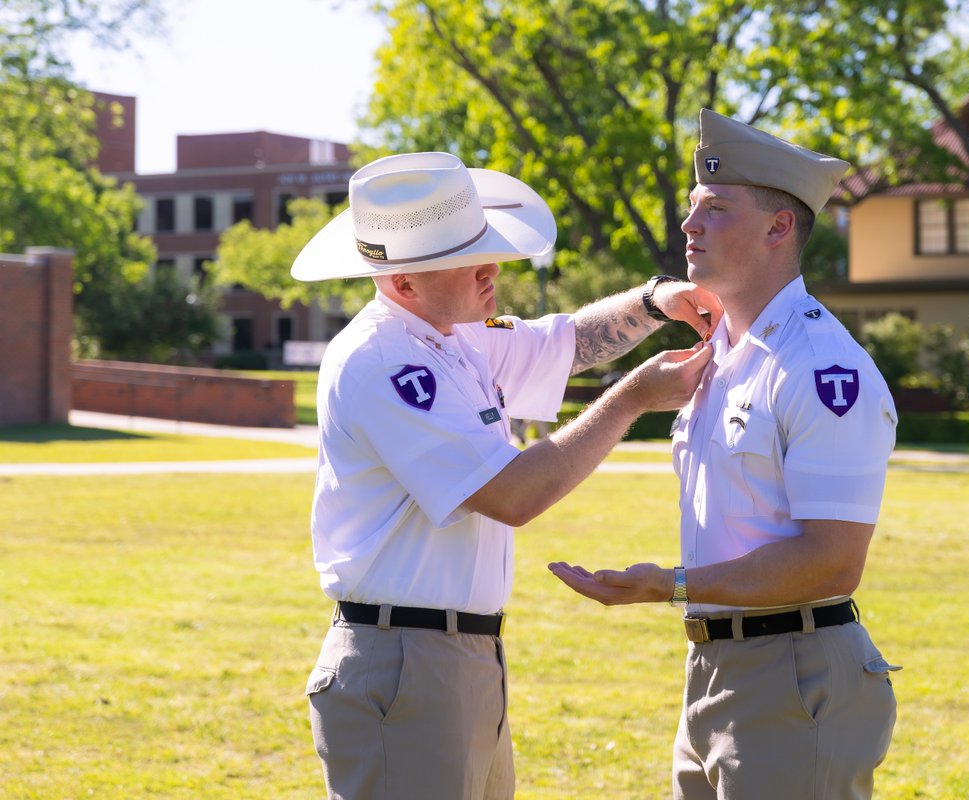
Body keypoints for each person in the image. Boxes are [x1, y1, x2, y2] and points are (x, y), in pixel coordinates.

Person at [291, 151, 719, 800]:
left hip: (451, 657)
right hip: (406, 660)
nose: (494, 267)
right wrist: (633, 398)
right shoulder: (383, 359)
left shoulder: (453, 334)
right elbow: (515, 495)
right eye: (470, 258)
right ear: (403, 283)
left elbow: (570, 341)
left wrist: (656, 300)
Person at [549, 109, 901, 799]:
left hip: (792, 674)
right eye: (692, 208)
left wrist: (670, 585)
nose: (690, 225)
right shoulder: (720, 361)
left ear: (779, 228)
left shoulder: (822, 367)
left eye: (714, 208)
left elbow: (834, 560)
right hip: (716, 668)